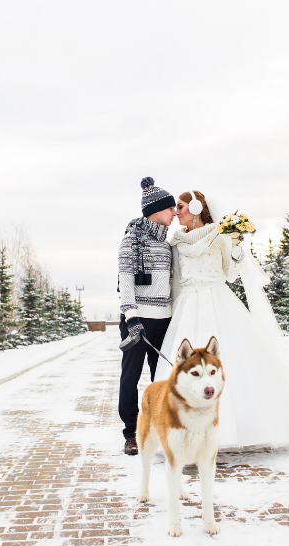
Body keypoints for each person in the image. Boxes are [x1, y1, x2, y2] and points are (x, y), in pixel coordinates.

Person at [155, 190, 289, 450]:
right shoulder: (176, 242)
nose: (176, 212)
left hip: (219, 301)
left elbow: (230, 274)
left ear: (196, 207)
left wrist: (238, 247)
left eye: (180, 206)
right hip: (187, 307)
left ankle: (238, 432)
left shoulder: (221, 236)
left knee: (236, 365)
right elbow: (176, 283)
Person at [117, 177, 176, 455]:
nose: (175, 212)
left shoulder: (166, 244)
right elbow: (126, 280)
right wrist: (131, 316)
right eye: (171, 208)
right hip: (138, 319)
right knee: (131, 376)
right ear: (156, 210)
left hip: (165, 320)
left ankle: (157, 427)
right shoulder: (131, 241)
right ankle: (131, 432)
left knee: (160, 376)